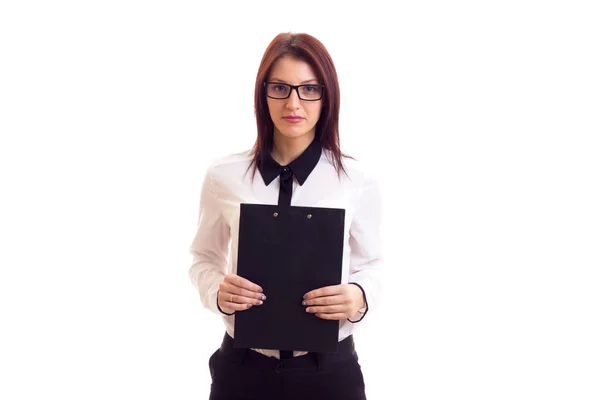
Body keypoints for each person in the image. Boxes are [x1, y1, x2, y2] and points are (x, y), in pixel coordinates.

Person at [188, 32, 384, 400]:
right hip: (243, 370)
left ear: (328, 97)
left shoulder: (356, 181)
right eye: (280, 87)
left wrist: (359, 296)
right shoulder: (223, 176)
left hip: (328, 373)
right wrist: (217, 291)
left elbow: (372, 264)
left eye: (309, 89)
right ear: (263, 94)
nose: (293, 102)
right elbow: (203, 258)